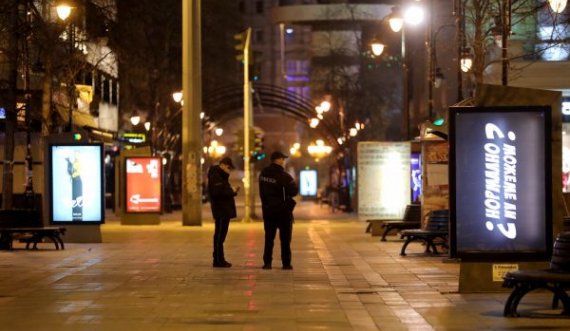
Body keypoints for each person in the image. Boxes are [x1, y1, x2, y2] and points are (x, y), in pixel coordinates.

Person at [259, 151, 298, 270]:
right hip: (283, 212)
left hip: (268, 211)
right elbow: (294, 191)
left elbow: (262, 192)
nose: (284, 161)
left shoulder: (263, 174)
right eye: (283, 159)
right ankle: (286, 263)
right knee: (285, 239)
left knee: (269, 238)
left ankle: (267, 263)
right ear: (278, 160)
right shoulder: (284, 175)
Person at [208, 157, 240, 268]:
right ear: (222, 165)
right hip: (221, 210)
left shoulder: (220, 176)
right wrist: (231, 191)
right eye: (228, 167)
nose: (229, 170)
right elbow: (217, 192)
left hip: (223, 210)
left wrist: (233, 192)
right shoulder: (216, 176)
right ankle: (217, 260)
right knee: (219, 236)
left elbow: (223, 191)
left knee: (221, 236)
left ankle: (219, 258)